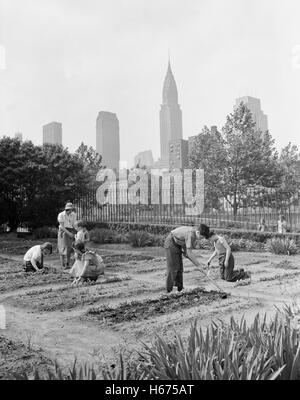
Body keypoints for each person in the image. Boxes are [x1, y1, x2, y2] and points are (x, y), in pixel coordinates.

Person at [164, 225, 206, 293]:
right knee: (173, 269)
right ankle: (168, 291)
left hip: (178, 244)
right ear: (198, 232)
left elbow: (187, 250)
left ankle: (180, 289)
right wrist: (198, 265)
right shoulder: (191, 234)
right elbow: (189, 253)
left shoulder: (193, 234)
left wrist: (186, 252)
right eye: (201, 237)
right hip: (171, 243)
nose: (201, 239)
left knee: (180, 268)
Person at [57, 202, 78, 269]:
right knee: (62, 248)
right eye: (68, 209)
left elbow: (74, 224)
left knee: (69, 248)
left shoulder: (73, 215)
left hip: (71, 230)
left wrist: (77, 231)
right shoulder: (61, 215)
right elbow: (62, 226)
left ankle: (67, 264)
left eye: (70, 209)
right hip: (63, 231)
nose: (69, 210)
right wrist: (69, 233)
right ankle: (62, 264)